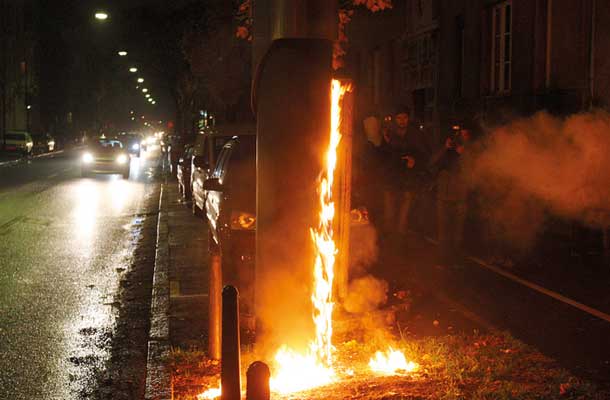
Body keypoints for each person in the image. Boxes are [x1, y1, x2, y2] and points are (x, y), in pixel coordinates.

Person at [383, 107, 431, 237]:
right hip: (391, 179)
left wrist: (414, 160)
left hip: (407, 181)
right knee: (389, 215)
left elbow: (425, 155)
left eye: (404, 117)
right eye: (399, 118)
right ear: (395, 119)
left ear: (408, 119)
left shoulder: (415, 135)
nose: (402, 121)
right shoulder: (389, 134)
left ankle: (399, 246)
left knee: (403, 219)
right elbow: (384, 155)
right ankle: (389, 245)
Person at [430, 124, 472, 265]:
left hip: (460, 197)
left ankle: (455, 260)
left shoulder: (471, 151)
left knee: (457, 233)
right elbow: (432, 163)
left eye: (465, 134)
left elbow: (472, 170)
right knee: (443, 232)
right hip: (444, 196)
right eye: (460, 134)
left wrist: (462, 154)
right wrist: (445, 148)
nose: (462, 137)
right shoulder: (447, 150)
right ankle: (442, 260)